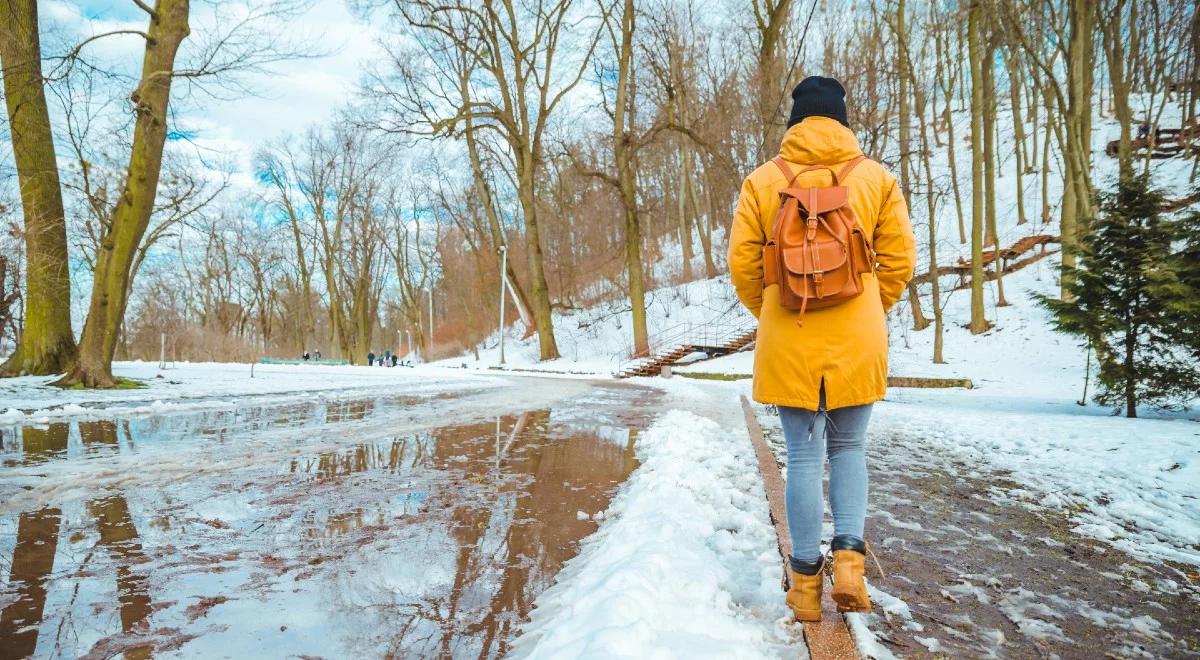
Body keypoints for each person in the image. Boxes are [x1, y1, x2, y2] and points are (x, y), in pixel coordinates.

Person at [728, 76, 916, 622]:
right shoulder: (875, 177)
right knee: (850, 448)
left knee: (804, 455)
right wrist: (867, 308)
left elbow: (742, 265)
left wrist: (772, 310)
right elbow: (900, 260)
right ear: (841, 119)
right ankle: (852, 565)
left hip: (789, 330)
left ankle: (806, 589)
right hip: (858, 332)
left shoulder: (763, 180)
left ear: (796, 121)